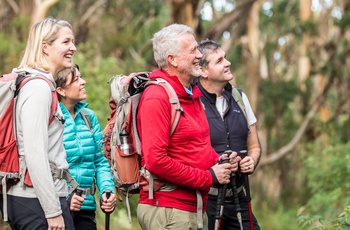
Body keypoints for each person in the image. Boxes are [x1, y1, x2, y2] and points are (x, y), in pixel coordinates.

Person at [136, 24, 238, 230]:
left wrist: (219, 160)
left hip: (194, 211)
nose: (199, 55)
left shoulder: (191, 96)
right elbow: (156, 161)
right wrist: (209, 177)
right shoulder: (156, 97)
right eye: (192, 50)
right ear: (172, 59)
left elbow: (196, 148)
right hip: (169, 211)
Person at [0, 17, 77, 229]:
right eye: (66, 42)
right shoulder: (38, 89)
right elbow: (35, 154)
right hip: (35, 200)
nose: (73, 47)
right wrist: (53, 212)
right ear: (45, 46)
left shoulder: (34, 84)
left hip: (35, 198)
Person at [196, 39, 261, 229]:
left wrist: (252, 160)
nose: (228, 63)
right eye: (219, 60)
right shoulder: (192, 103)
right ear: (203, 71)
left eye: (225, 57)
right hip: (206, 200)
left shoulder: (240, 98)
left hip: (240, 197)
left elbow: (254, 146)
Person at [55, 64, 116, 229]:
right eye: (76, 79)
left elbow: (99, 161)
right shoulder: (52, 119)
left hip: (86, 207)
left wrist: (106, 191)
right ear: (61, 90)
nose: (83, 82)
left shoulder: (89, 117)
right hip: (58, 208)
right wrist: (67, 197)